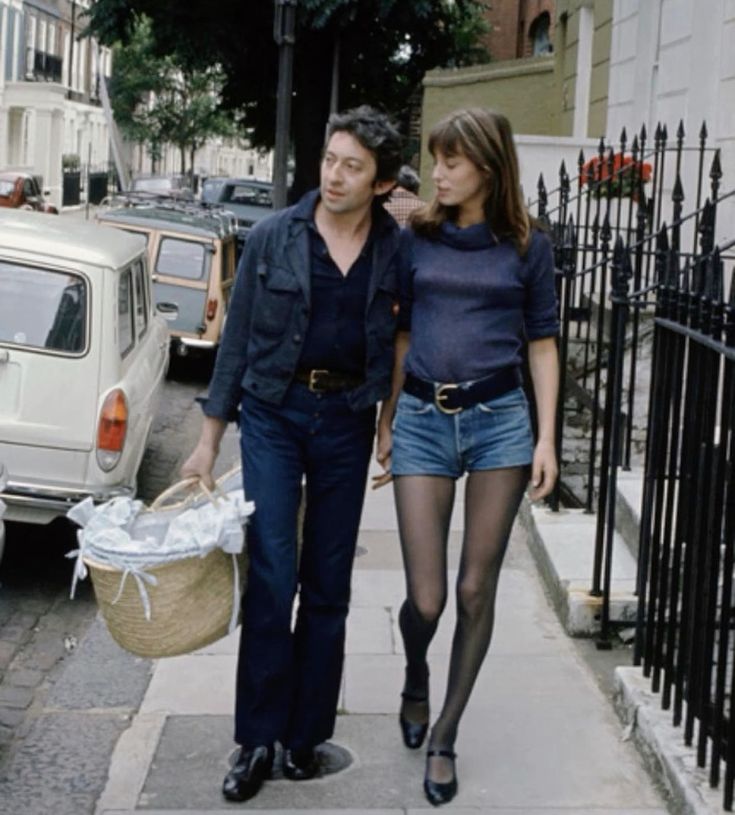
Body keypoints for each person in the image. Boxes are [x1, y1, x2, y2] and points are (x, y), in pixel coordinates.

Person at [181, 105, 403, 803]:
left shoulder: (396, 250)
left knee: (328, 585)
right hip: (274, 414)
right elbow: (237, 340)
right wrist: (208, 440)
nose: (334, 175)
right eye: (330, 159)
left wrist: (388, 423)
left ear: (381, 182)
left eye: (352, 166)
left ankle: (304, 737)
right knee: (274, 574)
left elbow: (403, 341)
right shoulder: (276, 236)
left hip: (346, 419)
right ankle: (254, 741)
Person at [374, 108, 560, 806]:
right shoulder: (413, 238)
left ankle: (445, 733)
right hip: (423, 417)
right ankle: (416, 669)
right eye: (437, 159)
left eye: (453, 161)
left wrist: (543, 437)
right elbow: (400, 334)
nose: (440, 173)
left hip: (499, 424)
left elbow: (541, 342)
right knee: (426, 597)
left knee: (475, 589)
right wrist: (387, 418)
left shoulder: (525, 245)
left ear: (487, 165)